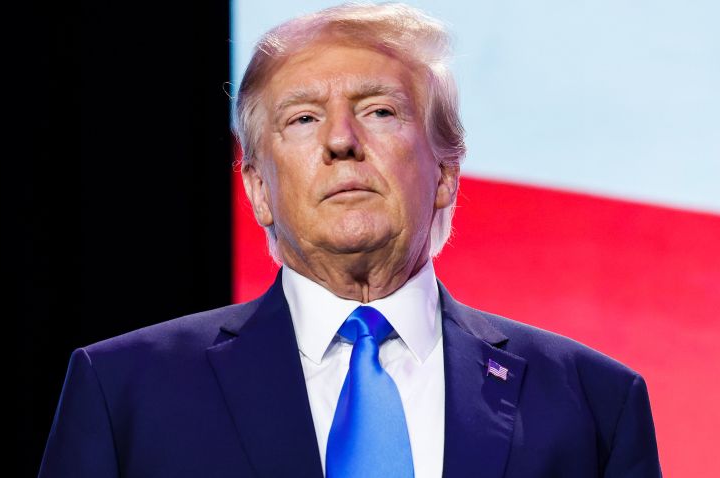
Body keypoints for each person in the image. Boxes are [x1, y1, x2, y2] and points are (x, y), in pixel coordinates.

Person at [38, 3, 662, 477]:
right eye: (303, 118)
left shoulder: (593, 403)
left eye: (379, 111)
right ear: (257, 188)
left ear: (445, 173)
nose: (341, 140)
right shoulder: (124, 393)